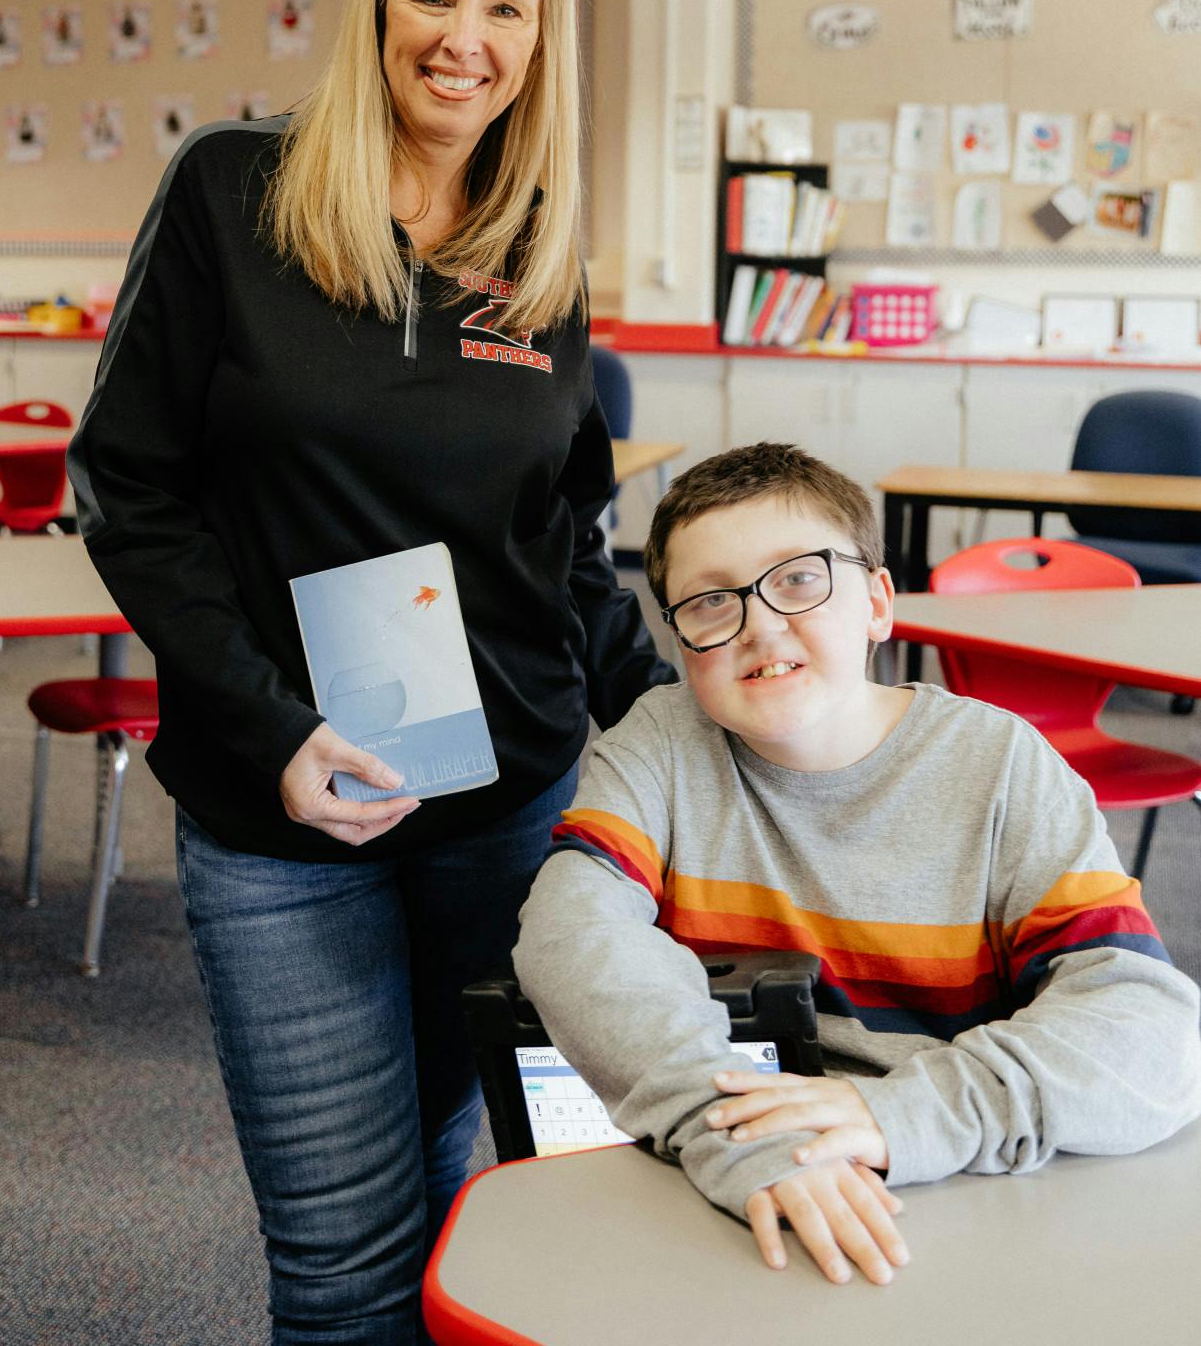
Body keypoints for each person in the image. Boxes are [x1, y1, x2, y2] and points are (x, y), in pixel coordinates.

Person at [68, 0, 674, 1345]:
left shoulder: (533, 248)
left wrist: (675, 722)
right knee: (340, 1266)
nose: (465, 38)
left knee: (471, 1206)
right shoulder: (235, 192)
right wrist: (272, 729)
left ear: (542, 42)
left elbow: (565, 540)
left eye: (508, 9)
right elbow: (126, 491)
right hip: (287, 812)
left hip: (510, 808)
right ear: (380, 1)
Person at [514, 442, 1201, 1288]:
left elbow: (1149, 1033)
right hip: (732, 1185)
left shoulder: (1000, 766)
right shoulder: (659, 743)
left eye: (798, 579)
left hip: (958, 1191)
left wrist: (889, 1114)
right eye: (709, 602)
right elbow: (570, 933)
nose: (760, 624)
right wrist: (743, 1135)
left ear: (878, 602)